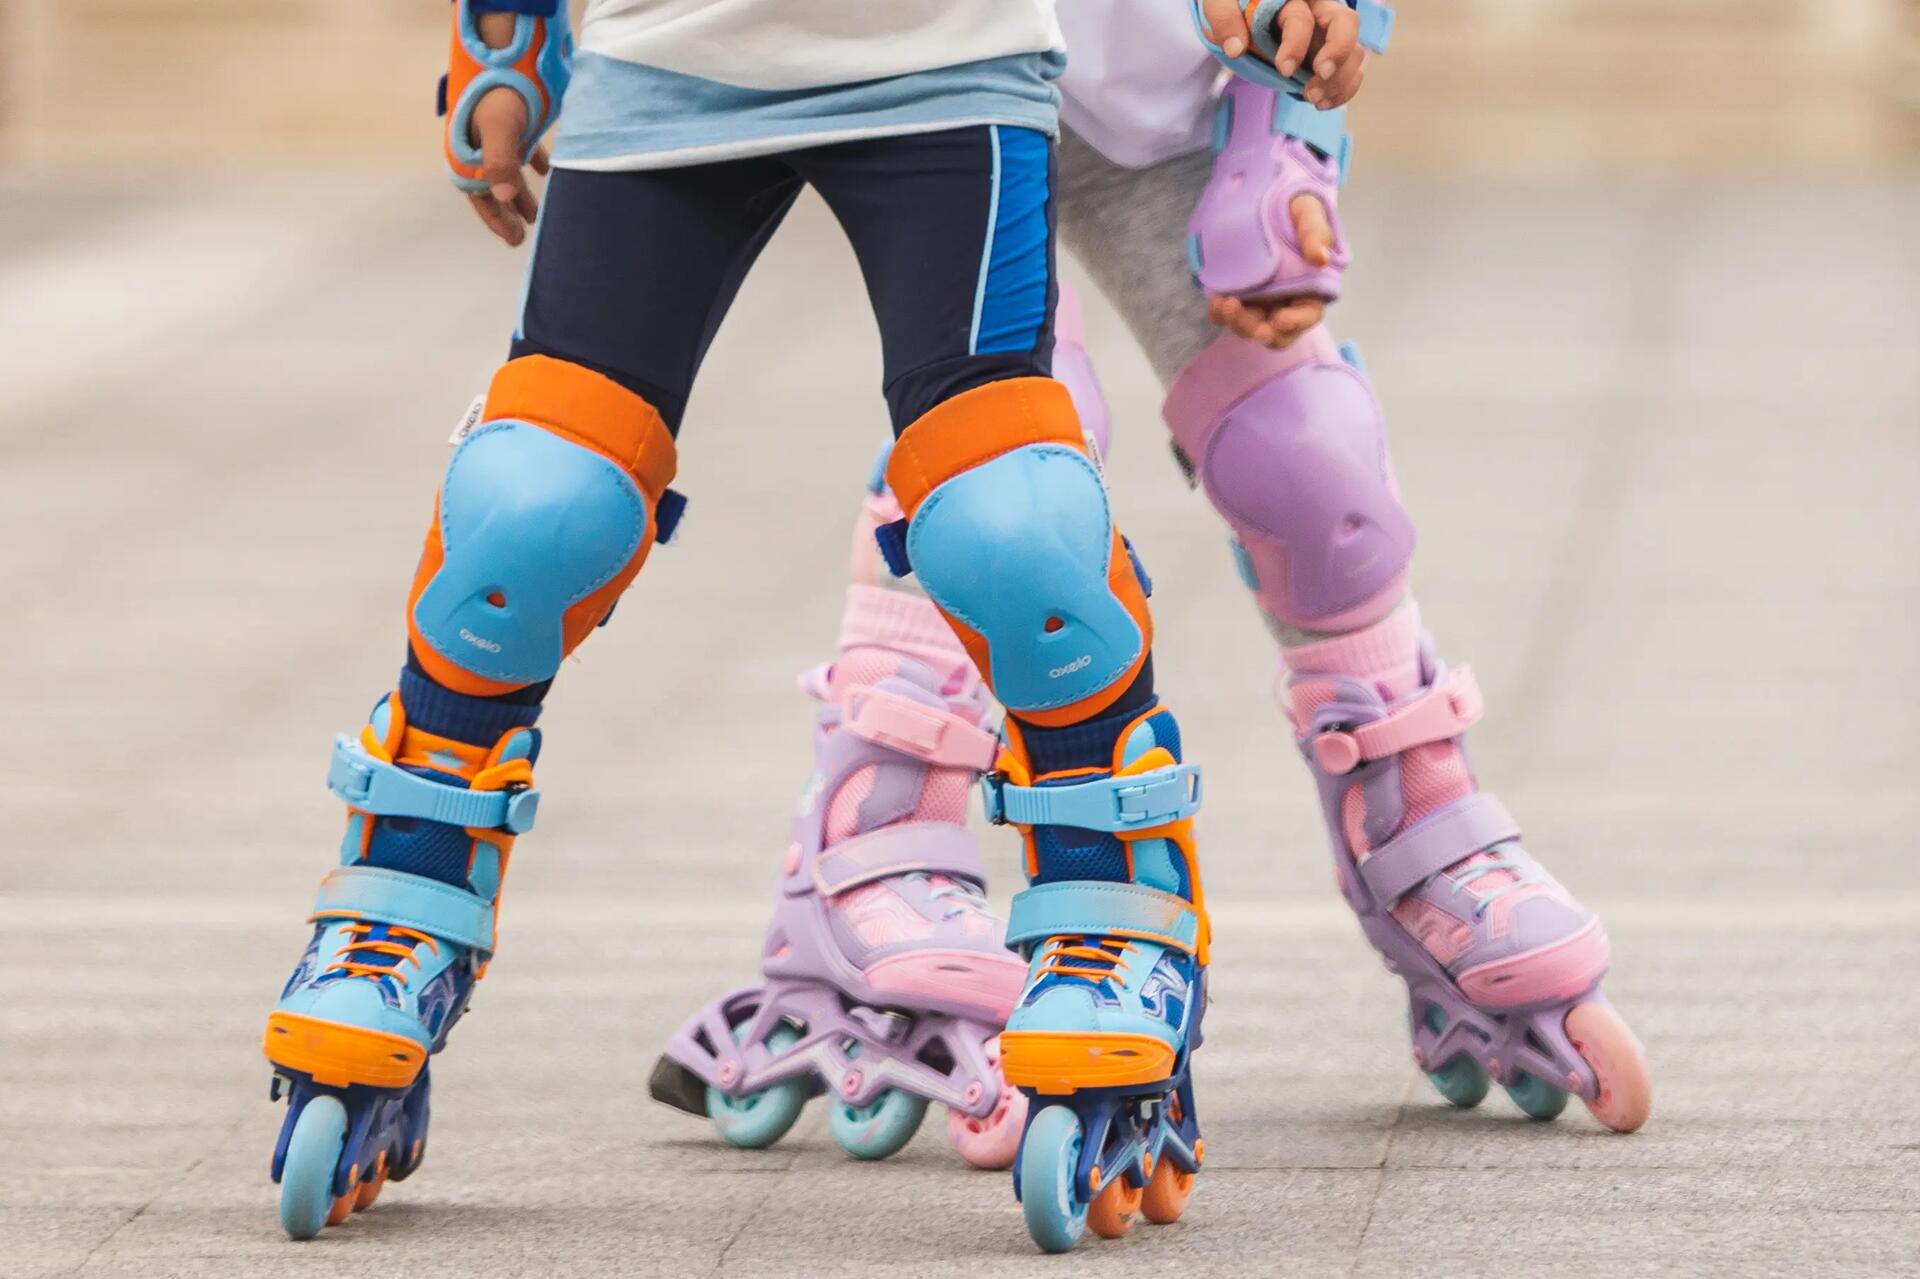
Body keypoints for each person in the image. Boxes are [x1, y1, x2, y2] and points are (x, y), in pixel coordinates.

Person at [261, 0, 1360, 1254]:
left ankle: (1119, 909)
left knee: (1012, 515)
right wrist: (507, 35)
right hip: (665, 55)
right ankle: (401, 892)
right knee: (530, 506)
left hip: (942, 57)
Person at [660, 0, 1649, 1247]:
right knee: (1005, 453)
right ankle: (874, 825)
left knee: (1312, 462)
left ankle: (1416, 817)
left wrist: (1301, 83)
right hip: (939, 70)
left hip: (1167, 93)